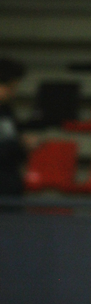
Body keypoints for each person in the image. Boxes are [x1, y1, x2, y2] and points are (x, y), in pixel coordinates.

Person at [0, 59, 34, 199]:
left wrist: (22, 145)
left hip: (9, 185)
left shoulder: (7, 111)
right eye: (10, 88)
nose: (13, 93)